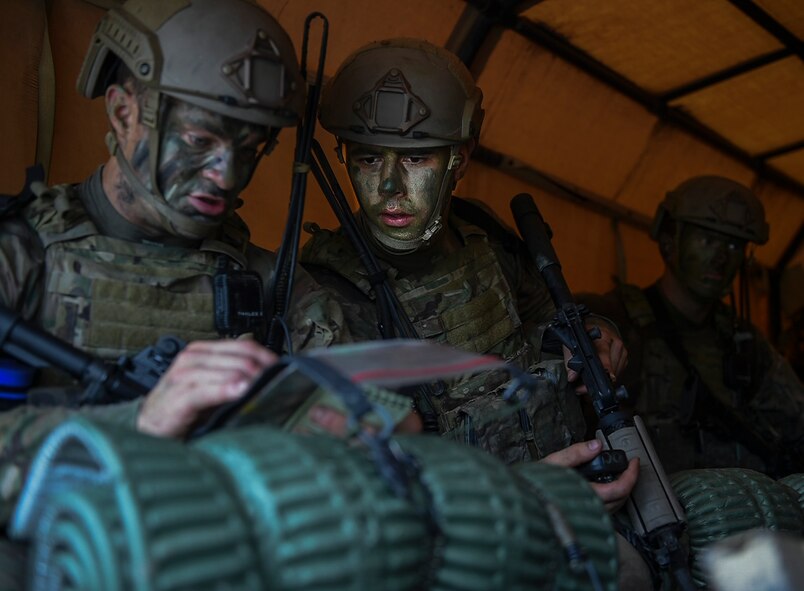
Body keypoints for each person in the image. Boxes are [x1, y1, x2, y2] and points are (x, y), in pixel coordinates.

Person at [0, 1, 428, 570]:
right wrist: (139, 424)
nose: (226, 176)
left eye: (252, 151)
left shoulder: (272, 283)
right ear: (124, 112)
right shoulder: (20, 255)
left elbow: (381, 431)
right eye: (200, 140)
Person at [300, 38, 638, 509]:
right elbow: (354, 498)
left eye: (417, 158)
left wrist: (595, 337)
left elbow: (545, 320)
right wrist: (522, 497)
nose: (390, 186)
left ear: (461, 157)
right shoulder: (320, 295)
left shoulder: (482, 233)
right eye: (368, 158)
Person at [578, 175, 804, 476]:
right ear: (670, 242)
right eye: (707, 239)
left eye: (735, 246)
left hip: (739, 511)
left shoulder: (744, 343)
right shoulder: (613, 319)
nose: (721, 258)